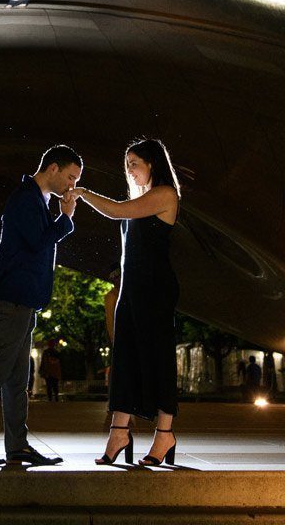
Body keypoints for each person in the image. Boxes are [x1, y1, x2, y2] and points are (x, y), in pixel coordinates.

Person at [0, 145, 81, 467]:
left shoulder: (38, 201)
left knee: (15, 379)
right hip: (12, 296)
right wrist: (65, 219)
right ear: (52, 168)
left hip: (22, 299)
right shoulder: (25, 198)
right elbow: (37, 242)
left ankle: (18, 446)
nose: (71, 185)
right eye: (70, 176)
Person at [73, 138, 181, 467]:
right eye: (127, 164)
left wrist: (82, 193)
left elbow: (118, 210)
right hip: (131, 290)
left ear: (153, 164)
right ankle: (119, 430)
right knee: (125, 359)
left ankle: (165, 434)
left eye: (134, 163)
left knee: (157, 358)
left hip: (155, 290)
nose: (129, 170)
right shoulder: (144, 198)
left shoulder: (164, 195)